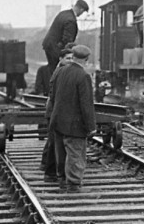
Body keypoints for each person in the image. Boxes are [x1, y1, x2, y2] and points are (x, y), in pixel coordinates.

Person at [48, 44, 97, 192]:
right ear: (86, 59)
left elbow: (52, 95)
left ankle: (62, 181)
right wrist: (91, 127)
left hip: (57, 120)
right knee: (75, 153)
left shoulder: (60, 71)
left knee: (61, 153)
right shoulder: (83, 76)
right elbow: (86, 104)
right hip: (74, 124)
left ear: (73, 56)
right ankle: (73, 185)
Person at [42, 47, 75, 181]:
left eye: (72, 58)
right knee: (54, 143)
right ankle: (50, 172)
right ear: (61, 59)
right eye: (68, 58)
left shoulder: (61, 70)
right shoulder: (60, 72)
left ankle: (51, 170)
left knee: (54, 142)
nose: (70, 61)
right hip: (55, 112)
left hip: (56, 111)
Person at [42, 0, 90, 71]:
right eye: (83, 12)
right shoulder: (71, 20)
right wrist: (72, 52)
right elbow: (67, 40)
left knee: (53, 69)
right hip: (55, 48)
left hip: (50, 46)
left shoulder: (63, 13)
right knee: (59, 70)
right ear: (81, 9)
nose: (81, 14)